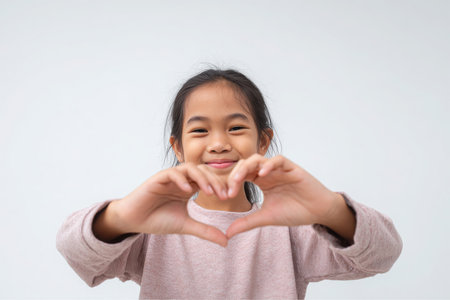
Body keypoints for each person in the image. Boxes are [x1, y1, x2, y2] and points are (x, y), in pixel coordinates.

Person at [56, 68, 402, 299]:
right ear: (177, 147)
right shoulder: (150, 226)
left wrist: (330, 208)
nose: (219, 143)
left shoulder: (291, 230)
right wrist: (120, 217)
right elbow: (75, 252)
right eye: (199, 130)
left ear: (263, 142)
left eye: (236, 128)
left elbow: (383, 255)